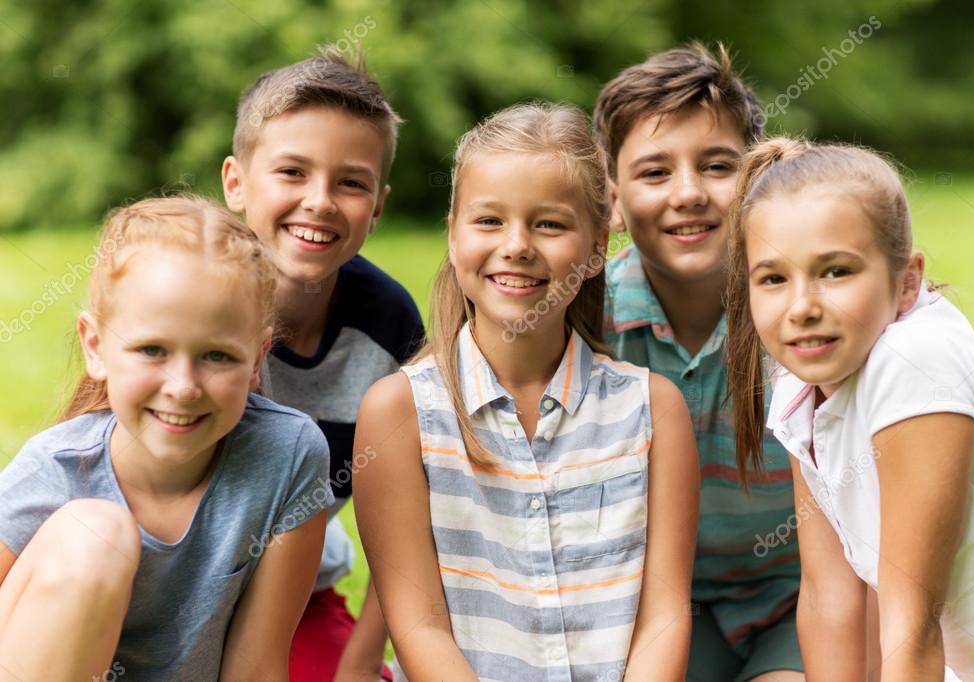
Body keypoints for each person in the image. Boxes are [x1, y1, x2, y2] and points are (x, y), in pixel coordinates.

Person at [352, 102, 700, 682]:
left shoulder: (652, 409)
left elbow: (664, 617)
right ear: (453, 232)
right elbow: (419, 626)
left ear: (597, 249)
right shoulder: (400, 412)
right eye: (489, 221)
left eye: (549, 224)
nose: (516, 245)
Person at [727, 137, 974, 680]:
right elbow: (829, 601)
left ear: (906, 281)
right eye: (773, 278)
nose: (802, 307)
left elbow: (911, 631)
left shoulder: (914, 359)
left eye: (836, 271)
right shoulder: (800, 380)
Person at [0, 196, 332, 679]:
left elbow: (256, 666)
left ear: (257, 359)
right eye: (152, 349)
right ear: (96, 346)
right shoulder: (55, 468)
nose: (183, 387)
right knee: (96, 535)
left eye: (217, 355)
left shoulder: (288, 455)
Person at [593, 42, 803, 680]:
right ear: (613, 201)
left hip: (800, 598)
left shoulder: (804, 316)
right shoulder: (587, 323)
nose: (688, 193)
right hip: (655, 605)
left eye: (717, 166)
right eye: (655, 173)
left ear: (761, 175)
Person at [221, 45, 424, 681]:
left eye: (350, 182)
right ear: (235, 182)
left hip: (295, 595)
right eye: (292, 172)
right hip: (159, 579)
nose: (320, 201)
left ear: (379, 205)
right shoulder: (185, 291)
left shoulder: (389, 325)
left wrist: (361, 665)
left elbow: (407, 532)